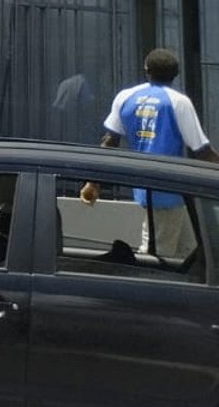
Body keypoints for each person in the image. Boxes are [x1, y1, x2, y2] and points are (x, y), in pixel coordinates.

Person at [81, 47, 218, 260]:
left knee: (191, 255)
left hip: (151, 189)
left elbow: (110, 142)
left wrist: (93, 182)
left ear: (147, 70)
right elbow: (202, 151)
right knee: (155, 261)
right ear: (176, 74)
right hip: (168, 189)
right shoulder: (178, 102)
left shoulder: (126, 97)